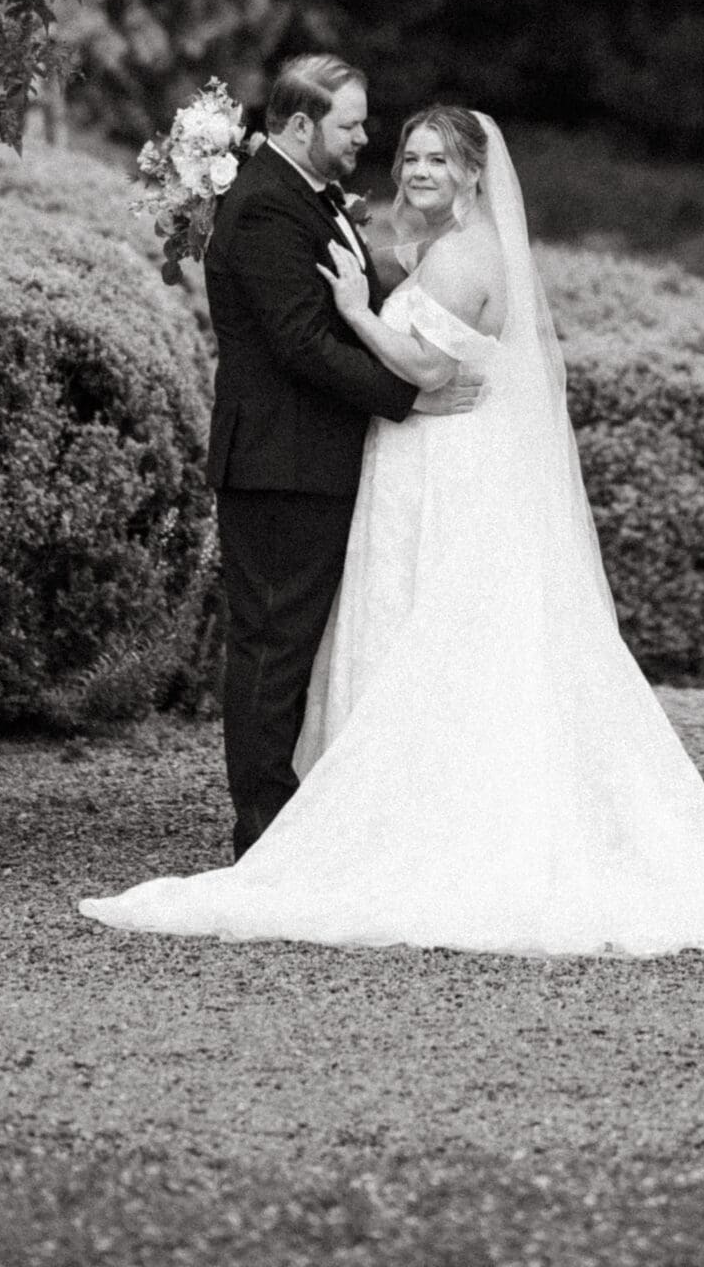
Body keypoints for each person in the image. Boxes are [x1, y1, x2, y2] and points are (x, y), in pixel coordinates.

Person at [81, 106, 704, 955]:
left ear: (471, 173)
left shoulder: (466, 254)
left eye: (437, 160)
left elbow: (428, 364)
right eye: (410, 157)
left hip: (447, 466)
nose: (419, 171)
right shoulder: (435, 249)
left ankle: (438, 829)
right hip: (421, 462)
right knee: (421, 630)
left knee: (443, 634)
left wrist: (353, 311)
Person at [189, 54, 470, 863]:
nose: (363, 137)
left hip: (308, 458)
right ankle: (262, 835)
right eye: (349, 124)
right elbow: (304, 345)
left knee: (290, 646)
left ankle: (284, 819)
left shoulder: (302, 196)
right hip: (279, 463)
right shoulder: (267, 210)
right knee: (271, 646)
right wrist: (407, 395)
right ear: (302, 125)